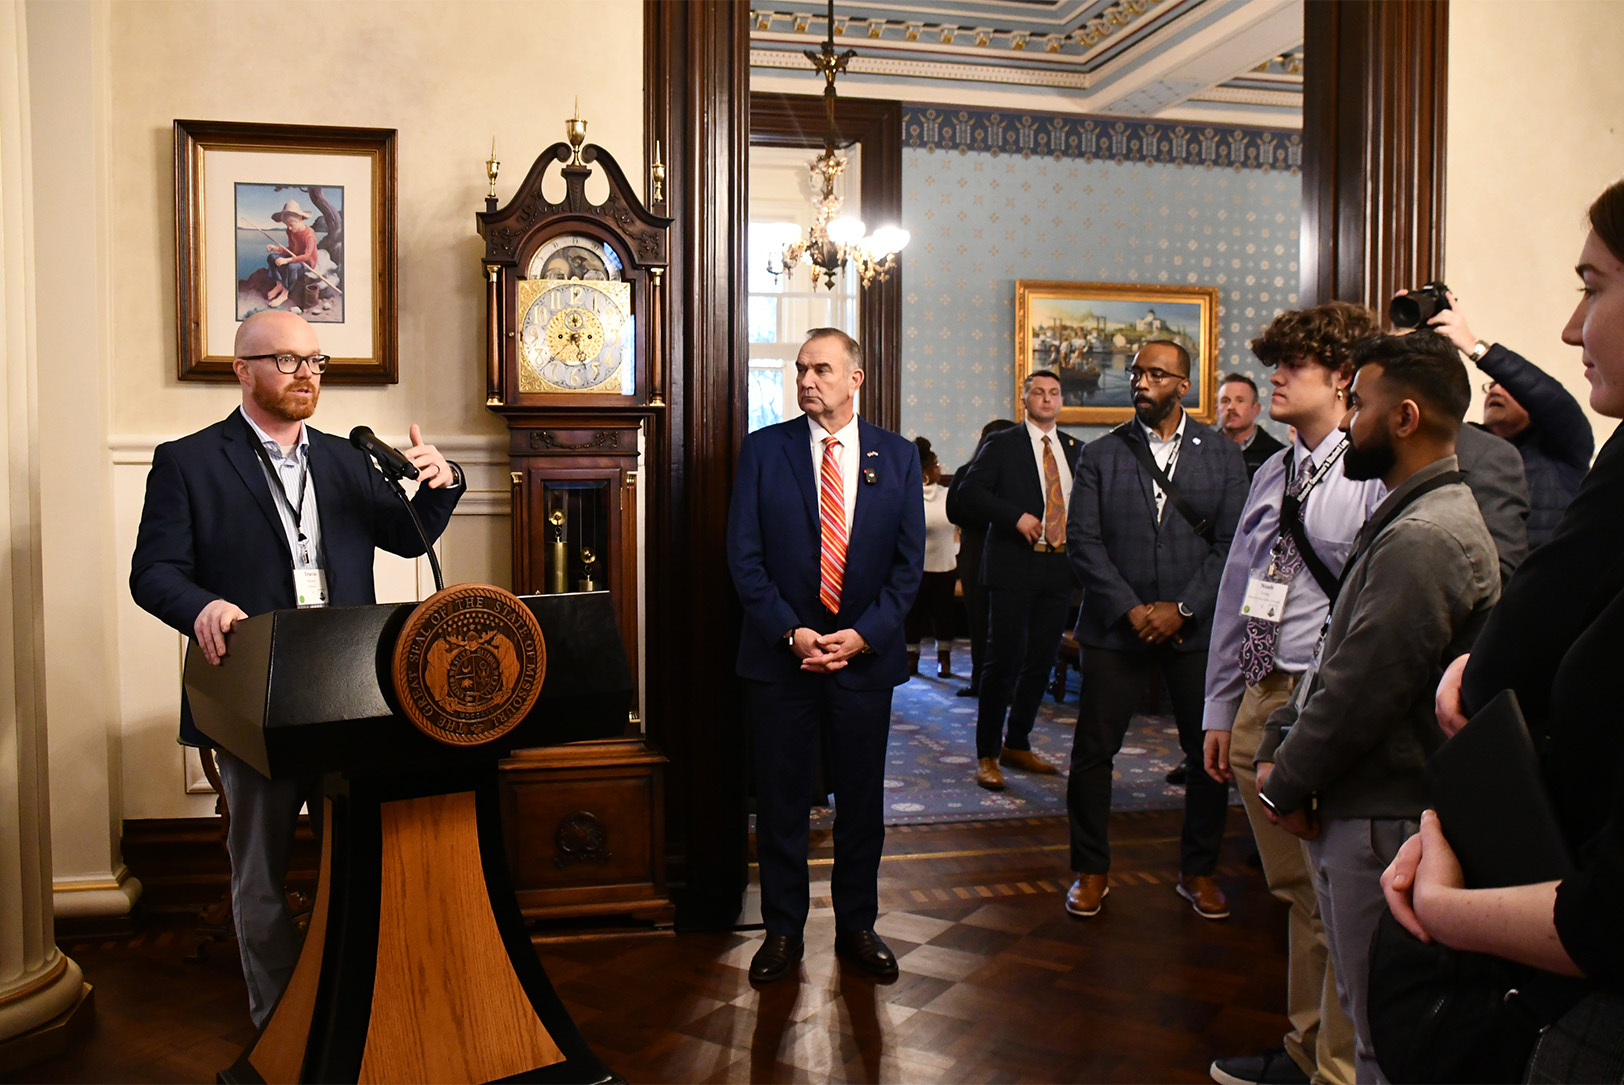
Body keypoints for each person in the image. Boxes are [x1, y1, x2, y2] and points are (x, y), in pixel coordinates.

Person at [128, 310, 465, 1027]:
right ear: (241, 369)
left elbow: (406, 540)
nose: (306, 372)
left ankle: (357, 1001)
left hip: (348, 686)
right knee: (261, 872)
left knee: (359, 856)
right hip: (255, 696)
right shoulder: (187, 461)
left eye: (315, 360)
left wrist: (442, 482)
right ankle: (279, 1024)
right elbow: (153, 571)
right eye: (286, 359)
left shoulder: (348, 458)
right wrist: (202, 606)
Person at [1387, 179, 1624, 1079]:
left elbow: (1605, 919)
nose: (1572, 327)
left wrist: (1444, 902)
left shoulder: (1570, 448)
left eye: (1593, 288)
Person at [1255, 330, 1499, 1084]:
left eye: (1359, 403)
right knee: (1364, 1020)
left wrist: (1284, 780)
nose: (1349, 417)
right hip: (1364, 803)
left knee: (1377, 1036)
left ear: (1404, 418)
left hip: (1379, 815)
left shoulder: (1426, 535)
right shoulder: (1407, 512)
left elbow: (1362, 689)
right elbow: (1336, 654)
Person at [1202, 302, 1384, 1085]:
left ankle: (1334, 1068)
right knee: (1295, 891)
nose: (1274, 377)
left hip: (1320, 697)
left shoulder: (1373, 472)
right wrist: (1220, 705)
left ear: (1344, 377)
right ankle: (1305, 1047)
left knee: (1333, 899)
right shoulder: (1273, 469)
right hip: (1257, 693)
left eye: (1293, 366)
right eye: (1272, 363)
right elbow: (1237, 591)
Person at [725, 327, 924, 985]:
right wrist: (792, 632)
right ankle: (782, 932)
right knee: (781, 801)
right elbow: (744, 559)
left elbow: (907, 567)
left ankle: (857, 926)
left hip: (864, 662)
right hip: (781, 659)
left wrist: (863, 635)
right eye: (801, 369)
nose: (807, 381)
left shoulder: (896, 457)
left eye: (821, 369)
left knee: (861, 803)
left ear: (855, 378)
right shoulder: (763, 450)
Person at [1064, 340, 1247, 920]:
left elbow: (1233, 544)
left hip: (1194, 632)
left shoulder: (1221, 455)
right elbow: (1083, 541)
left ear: (1183, 386)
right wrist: (1130, 608)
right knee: (1094, 753)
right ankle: (1091, 870)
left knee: (1207, 755)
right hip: (1116, 628)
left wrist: (1183, 608)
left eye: (1156, 374)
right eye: (1137, 372)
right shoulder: (1101, 454)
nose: (1141, 382)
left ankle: (1199, 871)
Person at [949, 371, 1083, 791]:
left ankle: (1018, 742)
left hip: (1059, 568)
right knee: (1002, 662)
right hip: (1013, 565)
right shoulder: (1003, 444)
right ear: (1024, 399)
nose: (1047, 398)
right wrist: (1015, 516)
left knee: (1041, 661)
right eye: (1038, 392)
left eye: (1054, 393)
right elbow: (969, 493)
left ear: (1062, 400)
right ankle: (987, 754)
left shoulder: (1076, 450)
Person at [1413, 290, 1594, 549]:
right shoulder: (1470, 447)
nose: (1495, 390)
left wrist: (1474, 347)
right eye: (1492, 386)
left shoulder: (1562, 448)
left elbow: (1551, 397)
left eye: (1506, 386)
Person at [945, 418, 1017, 698]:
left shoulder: (1019, 477)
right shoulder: (967, 473)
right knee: (980, 620)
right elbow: (954, 512)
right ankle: (982, 680)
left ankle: (1002, 683)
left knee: (1004, 621)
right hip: (977, 553)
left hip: (1005, 554)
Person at [904, 437, 959, 678]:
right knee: (912, 615)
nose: (939, 469)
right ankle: (911, 656)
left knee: (944, 614)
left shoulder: (949, 495)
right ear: (924, 470)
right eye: (935, 465)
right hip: (915, 567)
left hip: (945, 565)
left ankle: (943, 658)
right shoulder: (906, 494)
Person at [1219, 372, 1287, 477]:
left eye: (1240, 400)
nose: (1231, 407)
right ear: (1216, 410)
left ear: (1256, 409)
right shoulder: (1202, 451)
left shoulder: (1277, 455)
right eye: (1225, 401)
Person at [265, 200, 320, 310]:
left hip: (306, 262)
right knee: (271, 257)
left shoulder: (309, 235)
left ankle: (285, 293)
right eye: (287, 225)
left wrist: (287, 260)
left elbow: (307, 256)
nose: (289, 228)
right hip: (294, 256)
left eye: (291, 224)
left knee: (291, 266)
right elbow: (291, 249)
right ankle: (279, 284)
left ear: (300, 219)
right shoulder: (290, 231)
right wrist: (276, 249)